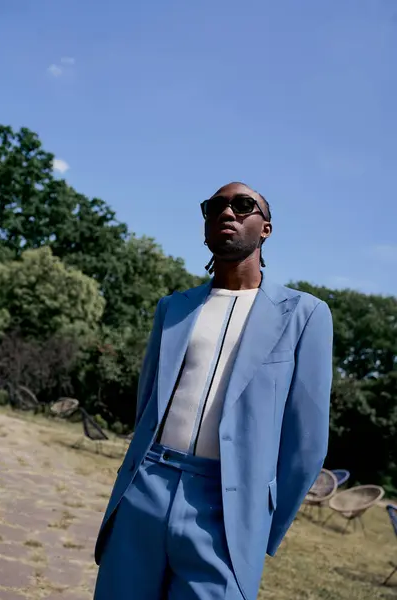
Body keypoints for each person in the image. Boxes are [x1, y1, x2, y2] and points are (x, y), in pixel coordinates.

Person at [93, 182, 333, 600]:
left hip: (228, 508)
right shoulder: (174, 307)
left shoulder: (305, 315)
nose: (228, 212)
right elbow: (147, 403)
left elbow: (307, 444)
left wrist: (260, 526)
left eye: (243, 205)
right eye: (215, 206)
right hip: (147, 487)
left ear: (266, 229)